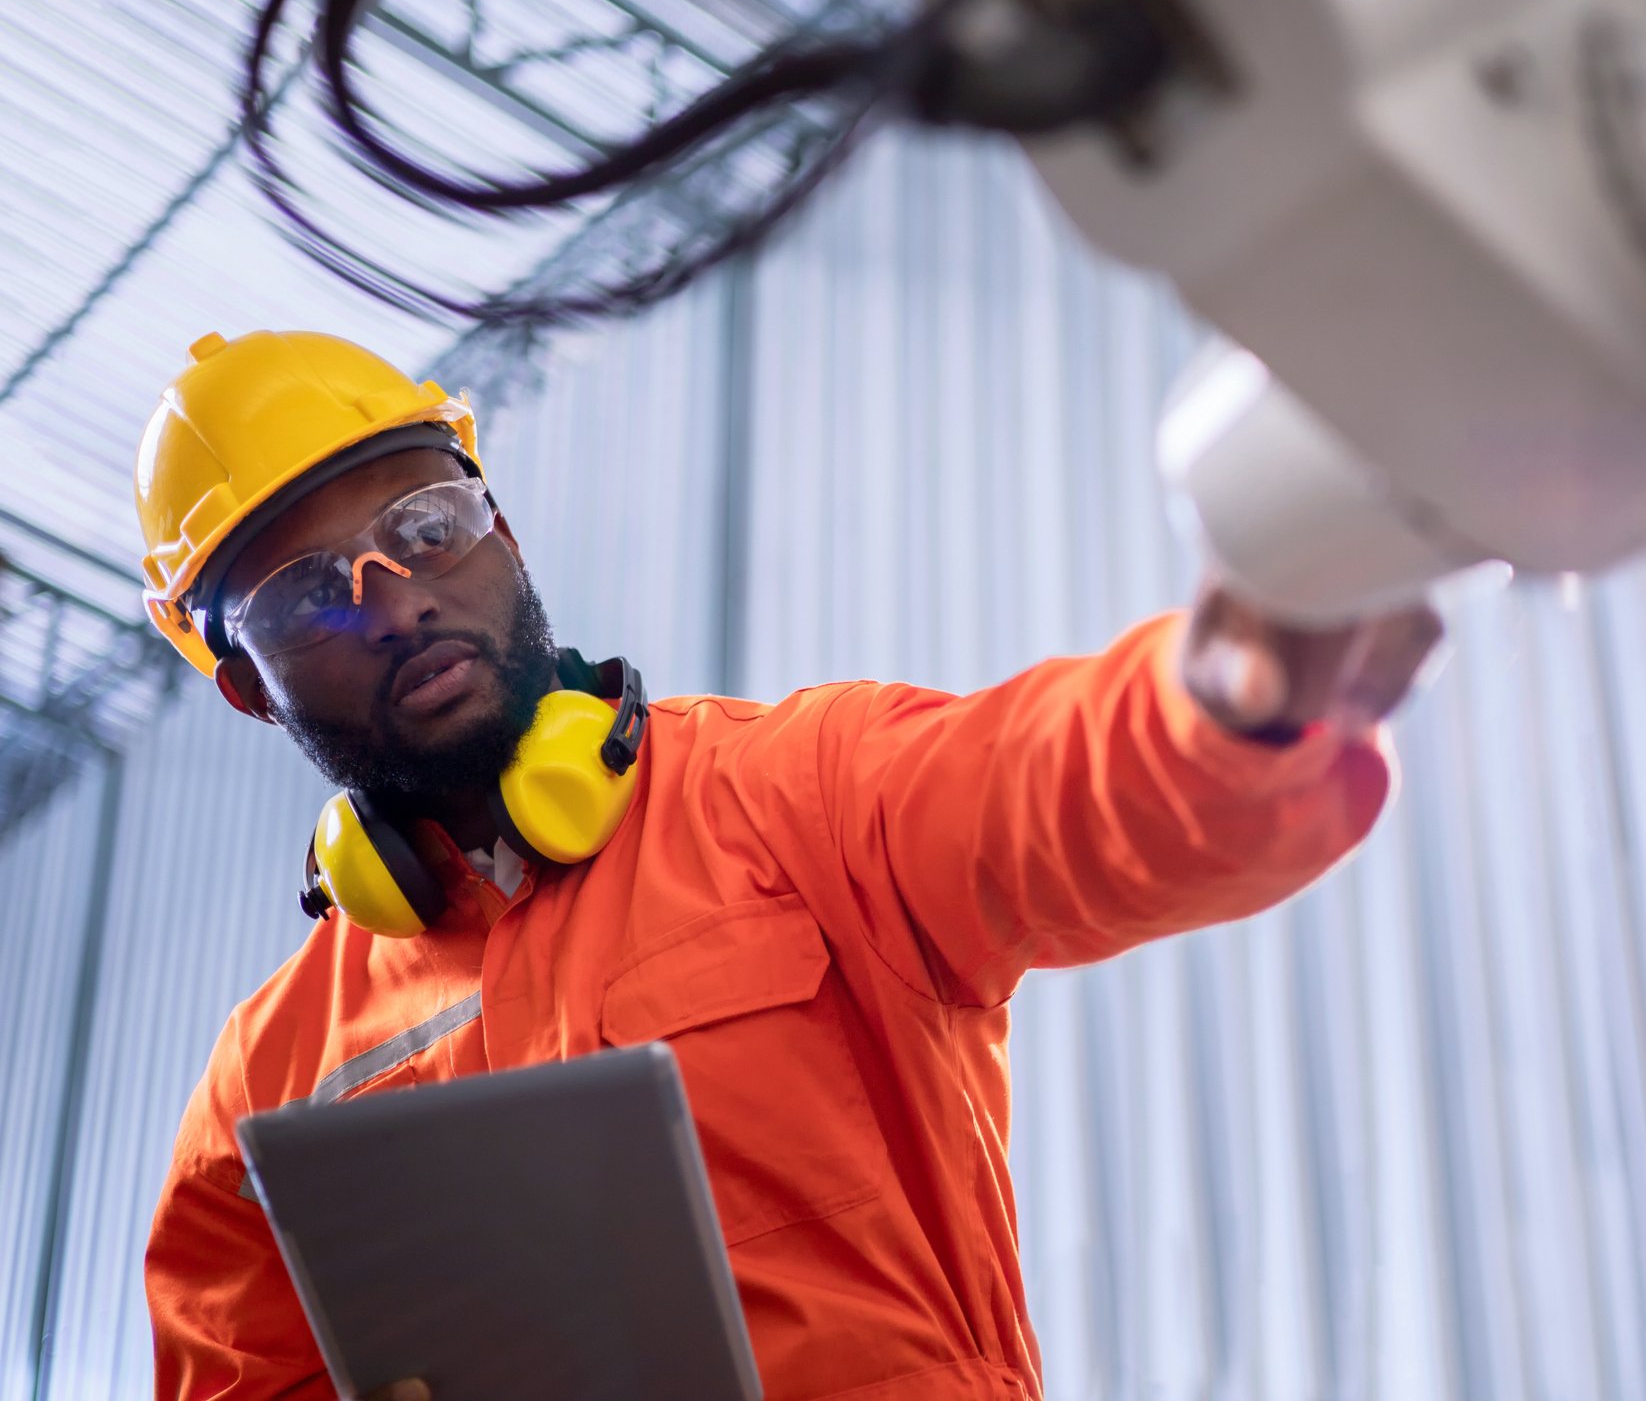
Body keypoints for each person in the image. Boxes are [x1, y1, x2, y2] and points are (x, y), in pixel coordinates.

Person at [137, 330, 1441, 1401]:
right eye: (308, 597)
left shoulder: (788, 798)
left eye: (429, 521)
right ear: (248, 688)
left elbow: (1048, 787)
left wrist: (1232, 691)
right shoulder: (268, 1080)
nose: (397, 593)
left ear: (505, 530)